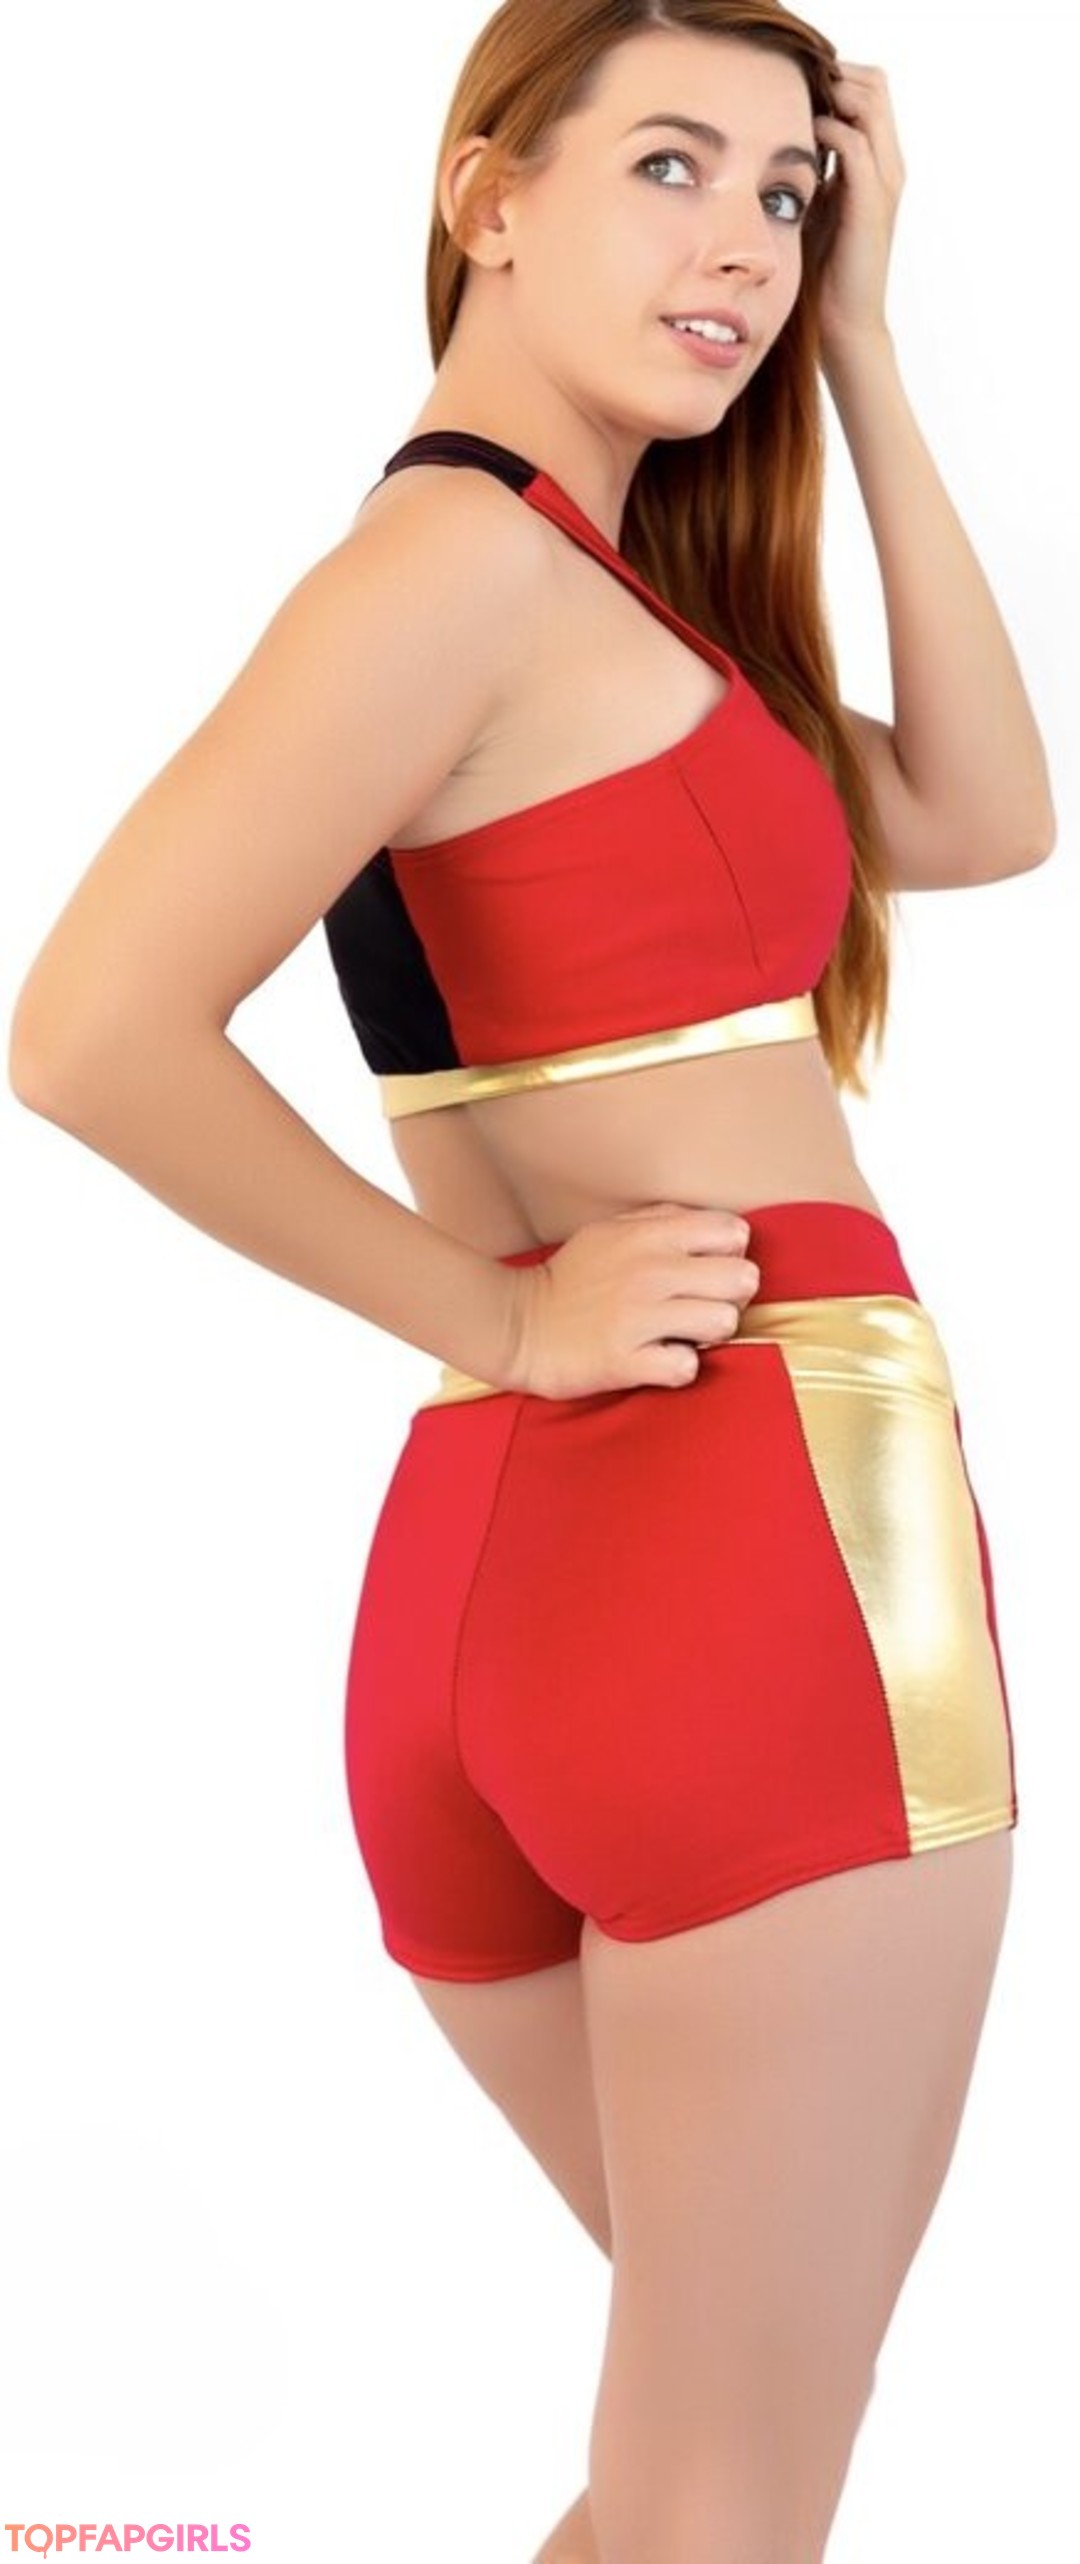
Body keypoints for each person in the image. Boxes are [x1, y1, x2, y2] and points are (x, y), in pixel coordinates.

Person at [7, 1, 1055, 2557]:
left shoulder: (585, 605)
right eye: (671, 164)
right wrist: (501, 1315)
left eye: (789, 194)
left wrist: (870, 344)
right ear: (486, 195)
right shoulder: (462, 568)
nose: (747, 242)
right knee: (731, 2499)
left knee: (683, 2482)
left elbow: (984, 810)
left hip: (499, 1587)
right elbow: (87, 1027)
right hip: (745, 1551)